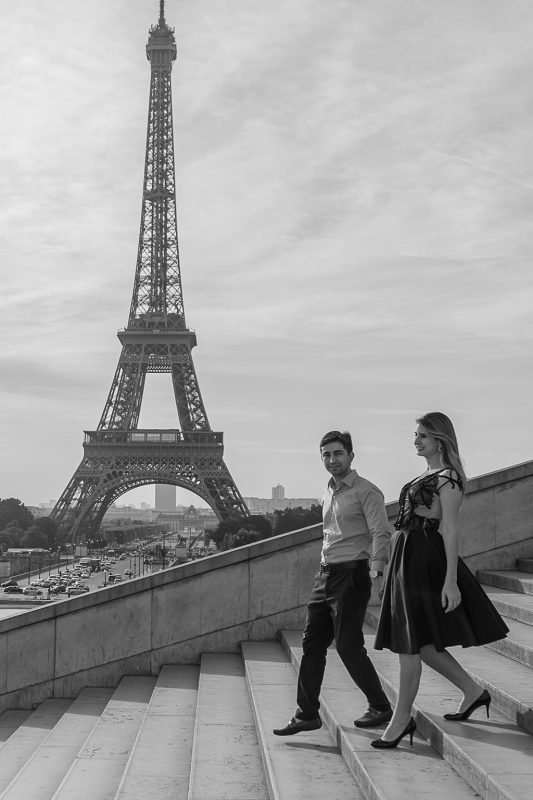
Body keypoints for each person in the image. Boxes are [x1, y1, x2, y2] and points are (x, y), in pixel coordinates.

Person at [371, 412, 509, 749]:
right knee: (426, 646)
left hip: (424, 562)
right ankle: (474, 692)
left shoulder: (448, 478)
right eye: (415, 435)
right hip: (408, 558)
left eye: (422, 436)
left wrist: (450, 582)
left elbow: (450, 529)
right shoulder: (429, 475)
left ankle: (401, 720)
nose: (416, 441)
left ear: (440, 440)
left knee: (410, 645)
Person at [273, 429, 393, 736]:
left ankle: (380, 706)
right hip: (325, 575)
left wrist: (377, 571)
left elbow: (381, 532)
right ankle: (306, 714)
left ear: (351, 455)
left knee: (348, 645)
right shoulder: (328, 491)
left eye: (338, 453)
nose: (332, 459)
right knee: (312, 644)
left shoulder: (367, 491)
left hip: (351, 576)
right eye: (326, 454)